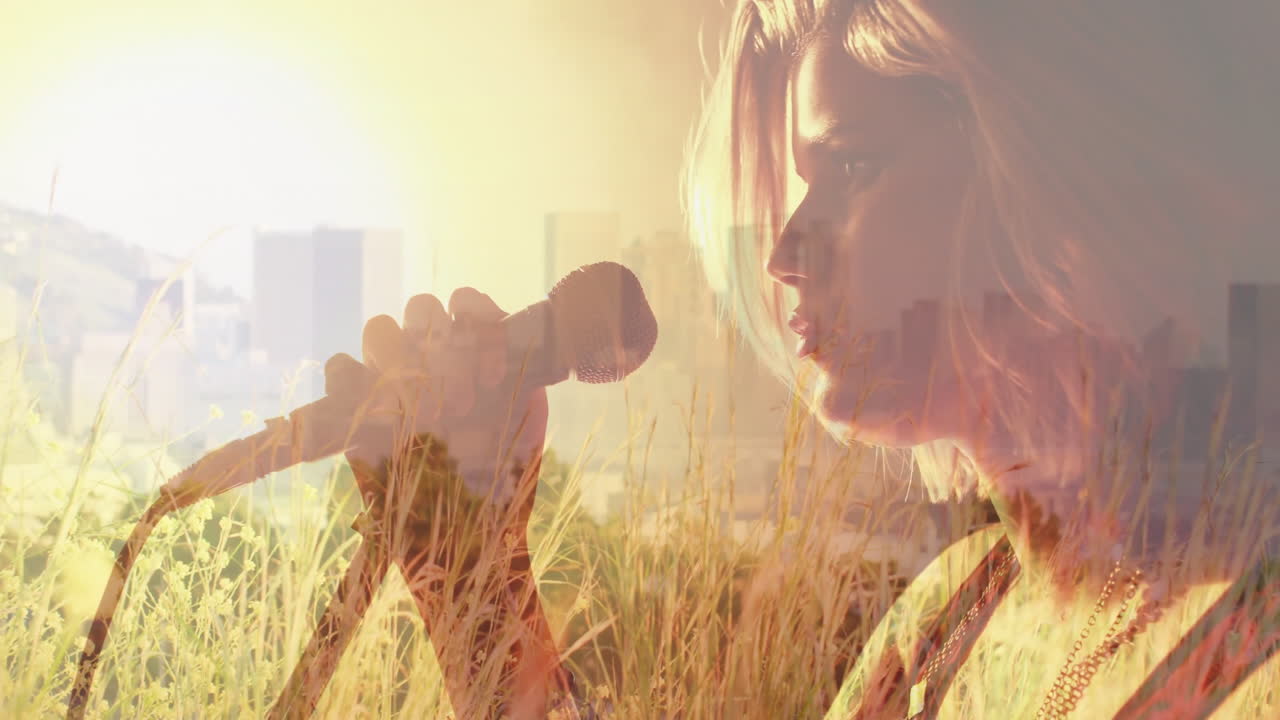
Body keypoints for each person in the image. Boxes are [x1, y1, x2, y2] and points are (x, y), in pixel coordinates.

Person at [683, 0, 1280, 717]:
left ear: (1043, 166)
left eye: (853, 165)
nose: (784, 255)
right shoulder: (951, 611)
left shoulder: (1251, 635)